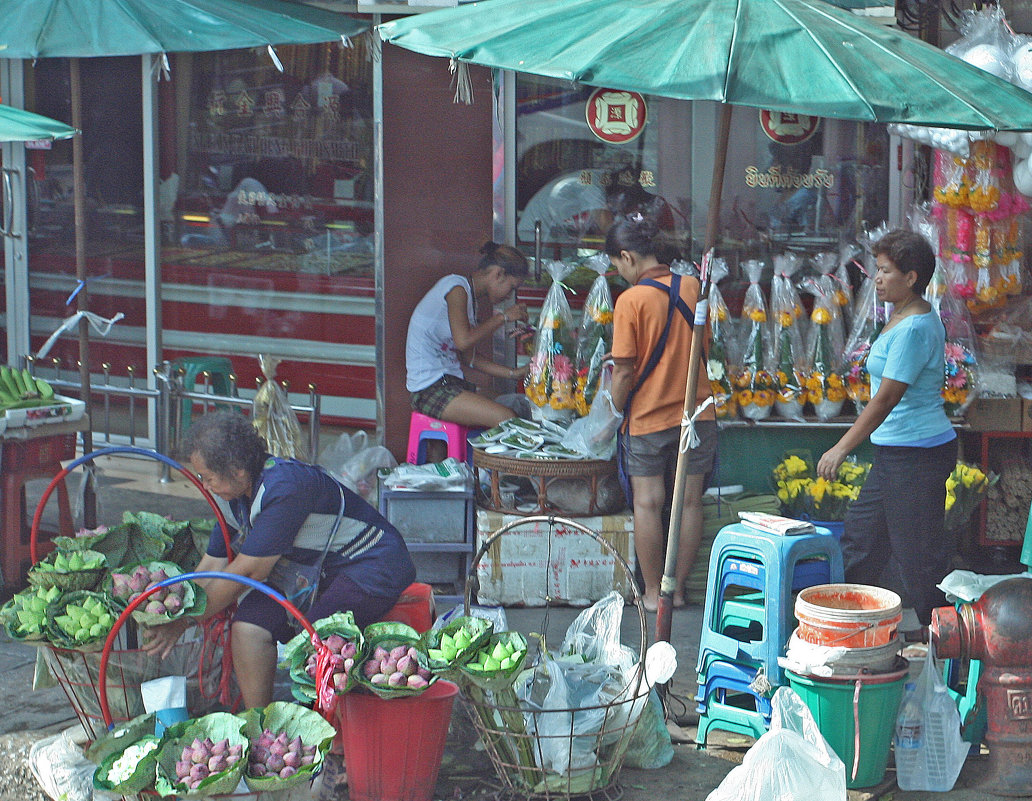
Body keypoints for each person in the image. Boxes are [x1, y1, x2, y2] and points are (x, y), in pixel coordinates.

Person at [142, 410, 416, 709]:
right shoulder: (231, 497)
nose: (205, 487)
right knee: (248, 627)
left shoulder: (285, 487)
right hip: (309, 574)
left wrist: (185, 623)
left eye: (208, 478)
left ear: (237, 470)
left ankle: (328, 731)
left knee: (313, 640)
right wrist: (176, 609)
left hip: (369, 567)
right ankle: (260, 721)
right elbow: (212, 564)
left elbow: (250, 570)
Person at [817, 229, 957, 627]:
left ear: (911, 278)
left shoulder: (915, 328)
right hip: (895, 453)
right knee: (861, 543)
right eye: (876, 270)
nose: (876, 278)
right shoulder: (901, 316)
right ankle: (848, 628)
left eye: (884, 271)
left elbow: (886, 398)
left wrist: (841, 448)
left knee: (918, 559)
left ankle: (946, 649)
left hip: (918, 455)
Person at [607, 215, 717, 612]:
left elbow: (623, 370)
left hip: (647, 417)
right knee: (689, 503)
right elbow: (704, 346)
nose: (618, 273)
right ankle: (680, 590)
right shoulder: (693, 286)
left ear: (627, 257)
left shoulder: (630, 300)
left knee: (649, 502)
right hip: (696, 414)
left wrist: (611, 409)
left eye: (617, 265)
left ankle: (653, 594)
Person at [406, 241, 531, 430]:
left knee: (517, 405)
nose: (510, 295)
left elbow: (470, 358)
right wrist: (504, 317)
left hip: (451, 384)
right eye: (512, 287)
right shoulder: (456, 288)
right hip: (429, 390)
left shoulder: (470, 300)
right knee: (508, 418)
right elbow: (463, 341)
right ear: (498, 274)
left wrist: (514, 373)